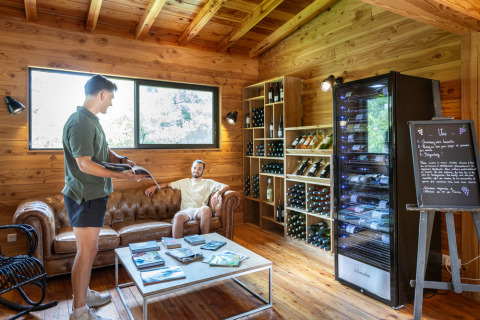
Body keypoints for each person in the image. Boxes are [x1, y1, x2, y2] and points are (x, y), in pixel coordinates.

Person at [62, 74, 148, 320]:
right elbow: (85, 165)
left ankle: (84, 294)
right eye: (110, 98)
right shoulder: (80, 122)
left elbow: (102, 150)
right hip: (85, 195)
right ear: (102, 94)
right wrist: (125, 177)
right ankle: (79, 312)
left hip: (93, 195)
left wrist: (120, 161)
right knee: (86, 252)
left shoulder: (92, 120)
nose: (110, 103)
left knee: (88, 250)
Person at [145, 160, 229, 238]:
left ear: (203, 171)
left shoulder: (208, 183)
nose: (196, 170)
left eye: (199, 169)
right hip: (186, 212)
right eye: (194, 168)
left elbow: (226, 186)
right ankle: (177, 247)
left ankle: (205, 240)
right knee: (178, 216)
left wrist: (218, 193)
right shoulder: (184, 182)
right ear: (191, 169)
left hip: (199, 210)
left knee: (206, 209)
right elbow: (167, 184)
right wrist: (154, 187)